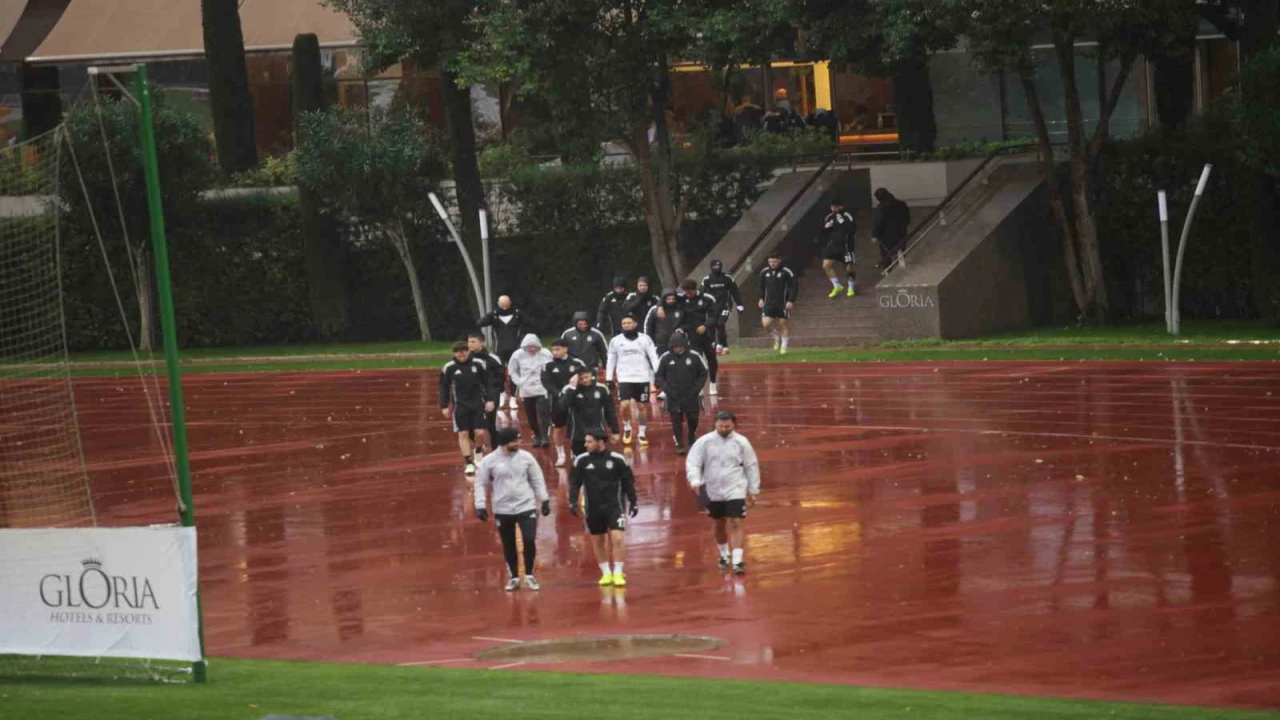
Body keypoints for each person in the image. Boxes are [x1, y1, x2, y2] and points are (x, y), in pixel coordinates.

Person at [474, 427, 550, 591]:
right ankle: (514, 576)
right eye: (515, 441)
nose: (519, 443)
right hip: (503, 508)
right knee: (508, 544)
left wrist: (544, 499)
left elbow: (537, 478)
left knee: (529, 539)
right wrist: (480, 505)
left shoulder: (526, 458)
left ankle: (529, 575)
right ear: (505, 442)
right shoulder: (489, 461)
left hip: (526, 505)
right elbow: (480, 483)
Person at [685, 411, 760, 575]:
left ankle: (738, 560)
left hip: (736, 487)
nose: (724, 429)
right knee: (719, 523)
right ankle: (724, 554)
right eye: (720, 426)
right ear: (715, 425)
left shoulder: (742, 442)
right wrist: (695, 480)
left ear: (734, 425)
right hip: (712, 489)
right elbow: (693, 463)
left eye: (727, 426)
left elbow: (751, 465)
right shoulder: (704, 442)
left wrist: (753, 490)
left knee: (736, 521)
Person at [568, 428, 637, 587]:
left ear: (600, 442)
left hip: (614, 506)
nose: (585, 444)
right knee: (598, 541)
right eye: (586, 441)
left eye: (589, 441)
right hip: (593, 507)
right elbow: (574, 484)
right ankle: (606, 573)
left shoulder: (617, 459)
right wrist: (573, 502)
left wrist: (633, 501)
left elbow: (628, 482)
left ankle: (618, 572)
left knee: (618, 538)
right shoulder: (581, 461)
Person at [439, 342, 495, 475]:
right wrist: (444, 406)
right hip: (460, 405)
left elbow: (488, 383)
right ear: (454, 353)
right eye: (458, 351)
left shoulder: (479, 364)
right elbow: (443, 387)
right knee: (463, 433)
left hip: (478, 403)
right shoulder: (449, 368)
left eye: (463, 350)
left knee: (480, 432)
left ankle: (478, 451)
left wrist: (490, 400)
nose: (461, 353)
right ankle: (468, 463)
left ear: (468, 351)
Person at [605, 315, 661, 447]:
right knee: (624, 405)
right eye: (623, 323)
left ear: (635, 324)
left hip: (642, 377)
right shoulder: (615, 341)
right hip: (624, 378)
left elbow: (653, 356)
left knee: (641, 406)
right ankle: (627, 427)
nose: (626, 325)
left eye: (629, 322)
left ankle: (642, 432)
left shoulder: (645, 339)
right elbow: (611, 360)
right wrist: (609, 378)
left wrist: (659, 374)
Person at [654, 331, 708, 455]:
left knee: (693, 418)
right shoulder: (666, 357)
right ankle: (679, 442)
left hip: (691, 394)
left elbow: (703, 372)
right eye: (675, 347)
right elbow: (659, 375)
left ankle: (691, 437)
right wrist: (666, 389)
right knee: (676, 420)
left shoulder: (694, 356)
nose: (678, 349)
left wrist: (697, 389)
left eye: (680, 346)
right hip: (673, 395)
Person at [541, 340, 587, 467]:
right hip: (556, 401)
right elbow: (546, 383)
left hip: (576, 400)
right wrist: (560, 393)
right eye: (553, 350)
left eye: (557, 349)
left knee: (576, 425)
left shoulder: (577, 362)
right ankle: (561, 454)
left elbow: (586, 377)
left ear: (565, 349)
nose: (554, 352)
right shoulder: (548, 365)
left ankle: (575, 451)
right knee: (558, 427)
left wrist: (577, 377)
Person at [477, 295, 527, 410]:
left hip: (515, 349)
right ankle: (501, 395)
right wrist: (492, 314)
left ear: (510, 303)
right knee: (499, 373)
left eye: (506, 304)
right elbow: (480, 323)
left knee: (514, 373)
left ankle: (513, 398)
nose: (504, 307)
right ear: (498, 304)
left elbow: (531, 323)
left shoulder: (517, 314)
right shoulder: (494, 315)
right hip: (499, 350)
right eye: (502, 305)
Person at [560, 366, 620, 457]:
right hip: (578, 434)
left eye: (587, 377)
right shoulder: (569, 390)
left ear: (591, 375)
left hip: (598, 433)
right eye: (581, 378)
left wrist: (615, 431)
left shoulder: (602, 389)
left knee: (600, 462)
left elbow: (610, 410)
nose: (584, 380)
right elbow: (562, 408)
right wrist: (572, 388)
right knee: (580, 463)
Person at [507, 334, 553, 448]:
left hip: (542, 387)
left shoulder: (546, 353)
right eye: (529, 347)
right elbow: (512, 370)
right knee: (530, 414)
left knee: (543, 412)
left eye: (534, 346)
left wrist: (549, 381)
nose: (532, 349)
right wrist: (519, 381)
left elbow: (552, 367)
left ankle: (544, 436)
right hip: (526, 389)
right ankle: (536, 435)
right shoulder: (517, 355)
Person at [678, 278, 722, 396]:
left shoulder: (707, 298)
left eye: (690, 292)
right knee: (695, 360)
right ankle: (699, 386)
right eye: (685, 292)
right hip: (692, 335)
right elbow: (666, 297)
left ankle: (713, 383)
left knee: (711, 358)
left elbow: (714, 315)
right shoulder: (682, 298)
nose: (687, 295)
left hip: (708, 334)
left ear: (695, 289)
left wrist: (705, 325)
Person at [699, 259, 745, 356]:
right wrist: (702, 306)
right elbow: (702, 294)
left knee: (720, 324)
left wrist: (739, 305)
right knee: (711, 325)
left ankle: (723, 345)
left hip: (725, 306)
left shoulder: (727, 278)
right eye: (715, 266)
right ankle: (716, 345)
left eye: (718, 266)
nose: (717, 268)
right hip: (711, 307)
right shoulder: (707, 279)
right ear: (711, 267)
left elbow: (735, 291)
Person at [468, 333, 506, 444]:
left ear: (482, 342)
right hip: (471, 397)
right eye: (469, 342)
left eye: (473, 342)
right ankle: (478, 447)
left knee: (490, 425)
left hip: (489, 395)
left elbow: (500, 379)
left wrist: (492, 398)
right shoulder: (466, 358)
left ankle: (495, 448)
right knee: (470, 426)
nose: (470, 344)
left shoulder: (493, 359)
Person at [757, 251, 797, 355]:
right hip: (768, 303)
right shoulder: (764, 272)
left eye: (774, 261)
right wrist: (761, 298)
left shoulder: (786, 271)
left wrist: (790, 300)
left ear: (779, 260)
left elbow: (793, 287)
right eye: (770, 262)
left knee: (783, 324)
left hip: (783, 303)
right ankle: (776, 337)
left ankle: (783, 347)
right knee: (765, 324)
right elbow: (760, 287)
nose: (772, 264)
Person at [820, 198, 857, 298]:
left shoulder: (847, 215)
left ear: (841, 206)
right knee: (826, 265)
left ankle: (851, 286)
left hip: (846, 245)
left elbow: (852, 228)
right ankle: (837, 285)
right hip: (833, 245)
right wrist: (826, 228)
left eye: (836, 207)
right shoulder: (829, 217)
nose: (834, 209)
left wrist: (841, 221)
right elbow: (824, 232)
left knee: (849, 267)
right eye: (832, 207)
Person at [872, 187, 911, 270]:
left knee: (886, 255)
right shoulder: (901, 204)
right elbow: (907, 218)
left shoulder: (881, 208)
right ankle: (902, 266)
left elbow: (879, 223)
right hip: (901, 233)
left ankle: (888, 271)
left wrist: (875, 235)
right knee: (900, 250)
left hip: (887, 237)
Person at [643, 288, 684, 356]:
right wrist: (648, 342)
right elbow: (647, 326)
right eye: (669, 299)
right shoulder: (654, 310)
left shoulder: (680, 309)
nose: (671, 301)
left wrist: (682, 329)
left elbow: (685, 323)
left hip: (677, 343)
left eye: (673, 299)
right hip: (660, 344)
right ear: (664, 299)